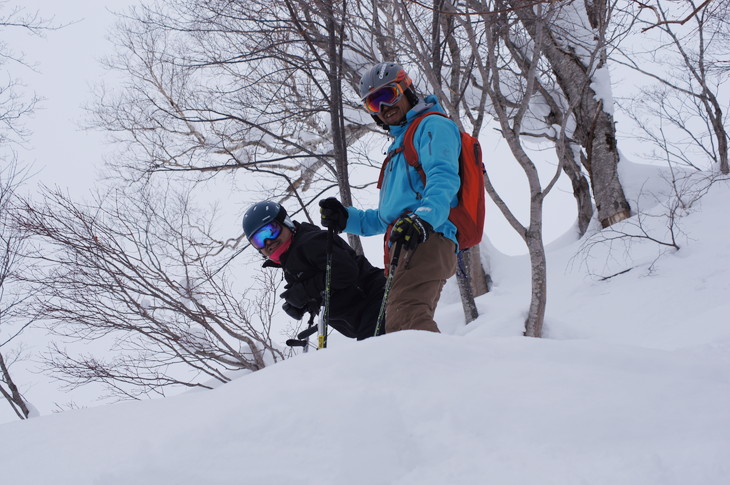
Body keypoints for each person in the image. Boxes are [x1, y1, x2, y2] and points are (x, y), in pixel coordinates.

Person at [319, 62, 461, 334]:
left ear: (406, 90)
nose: (383, 107)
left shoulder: (431, 125)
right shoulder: (399, 145)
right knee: (396, 324)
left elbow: (444, 179)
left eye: (388, 95)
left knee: (405, 321)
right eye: (373, 104)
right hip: (408, 240)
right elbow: (386, 218)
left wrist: (424, 219)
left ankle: (445, 374)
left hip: (429, 237)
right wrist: (346, 218)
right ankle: (430, 374)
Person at [242, 200, 386, 341]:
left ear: (285, 222)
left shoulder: (311, 242)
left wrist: (304, 291)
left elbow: (346, 272)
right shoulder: (291, 259)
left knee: (377, 359)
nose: (268, 241)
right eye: (258, 240)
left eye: (271, 231)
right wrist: (303, 304)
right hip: (365, 317)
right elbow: (326, 286)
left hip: (377, 302)